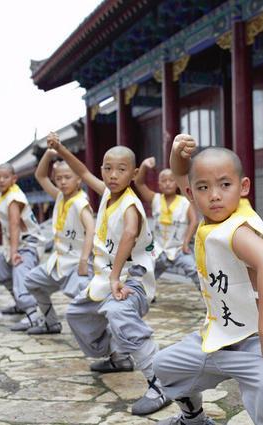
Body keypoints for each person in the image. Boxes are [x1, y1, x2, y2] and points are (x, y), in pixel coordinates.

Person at [154, 135, 263, 425]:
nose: (215, 195)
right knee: (166, 365)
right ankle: (192, 419)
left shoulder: (237, 229)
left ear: (243, 187)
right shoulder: (211, 216)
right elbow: (183, 174)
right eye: (204, 188)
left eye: (224, 184)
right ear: (192, 193)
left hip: (258, 339)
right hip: (220, 336)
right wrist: (176, 155)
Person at [46, 133, 169, 415]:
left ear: (134, 173)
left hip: (132, 280)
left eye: (121, 169)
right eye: (107, 168)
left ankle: (159, 382)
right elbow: (82, 172)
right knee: (77, 313)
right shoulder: (107, 194)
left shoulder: (130, 205)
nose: (113, 175)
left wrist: (115, 279)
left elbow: (128, 233)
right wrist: (61, 149)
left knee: (118, 314)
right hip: (106, 279)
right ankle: (117, 356)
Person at [23, 147, 95, 334]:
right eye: (59, 178)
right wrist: (49, 153)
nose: (62, 182)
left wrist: (84, 260)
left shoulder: (81, 202)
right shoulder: (61, 197)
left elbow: (91, 229)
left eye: (67, 177)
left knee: (84, 298)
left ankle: (100, 335)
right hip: (58, 261)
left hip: (77, 262)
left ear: (79, 179)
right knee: (32, 281)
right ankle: (50, 323)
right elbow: (41, 176)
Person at [0, 158, 45, 330]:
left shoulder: (13, 198)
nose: (0, 180)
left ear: (14, 179)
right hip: (14, 243)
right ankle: (20, 305)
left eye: (5, 177)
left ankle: (33, 315)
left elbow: (14, 225)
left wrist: (14, 252)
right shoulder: (3, 190)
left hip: (27, 244)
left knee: (20, 275)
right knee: (2, 273)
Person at [134, 156, 199, 290]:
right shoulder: (155, 199)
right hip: (158, 248)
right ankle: (145, 295)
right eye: (164, 180)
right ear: (159, 184)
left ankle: (208, 302)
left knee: (194, 270)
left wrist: (186, 242)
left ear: (177, 184)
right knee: (146, 271)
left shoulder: (185, 202)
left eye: (171, 180)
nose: (168, 183)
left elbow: (194, 221)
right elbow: (139, 183)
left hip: (179, 248)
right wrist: (144, 166)